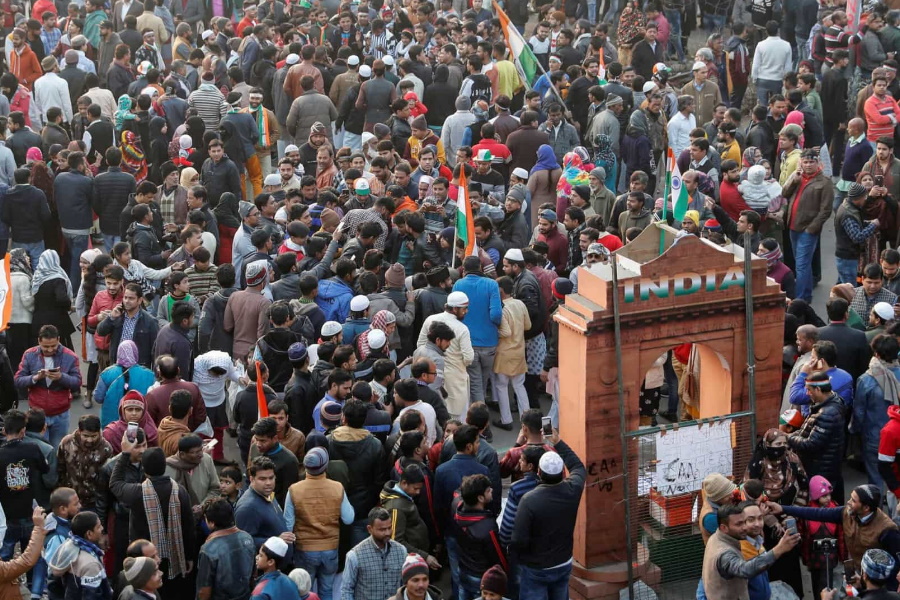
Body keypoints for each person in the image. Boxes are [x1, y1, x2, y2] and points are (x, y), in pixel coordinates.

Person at [770, 484, 900, 588]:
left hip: (878, 584)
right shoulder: (847, 513)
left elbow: (896, 566)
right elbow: (817, 513)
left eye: (853, 500)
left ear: (866, 507)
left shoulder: (887, 530)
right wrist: (783, 508)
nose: (848, 502)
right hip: (858, 576)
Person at [510, 437, 585, 600]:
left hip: (537, 569)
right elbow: (578, 466)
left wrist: (521, 561)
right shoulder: (573, 489)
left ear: (538, 472)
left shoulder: (529, 500)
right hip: (564, 562)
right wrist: (558, 442)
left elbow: (518, 540)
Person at [283, 447, 353, 600]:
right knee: (327, 590)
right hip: (330, 549)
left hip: (304, 550)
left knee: (303, 591)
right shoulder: (337, 488)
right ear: (325, 466)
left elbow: (288, 525)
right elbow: (349, 518)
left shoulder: (294, 490)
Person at [702, 503, 800, 599]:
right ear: (724, 528)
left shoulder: (723, 536)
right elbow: (745, 569)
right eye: (739, 524)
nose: (745, 527)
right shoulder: (724, 552)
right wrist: (779, 549)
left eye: (760, 518)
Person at [15, 324, 82, 449]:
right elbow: (18, 380)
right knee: (39, 450)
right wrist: (35, 378)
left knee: (58, 450)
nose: (50, 350)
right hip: (37, 414)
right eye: (46, 346)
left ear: (59, 340)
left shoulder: (70, 356)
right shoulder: (29, 355)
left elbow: (77, 382)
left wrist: (61, 377)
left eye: (53, 346)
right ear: (39, 341)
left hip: (61, 413)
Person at [340, 508, 406, 600]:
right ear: (369, 529)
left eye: (389, 528)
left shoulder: (401, 551)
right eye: (382, 529)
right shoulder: (355, 555)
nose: (387, 532)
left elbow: (404, 586)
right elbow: (346, 590)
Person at [57, 414, 114, 515]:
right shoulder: (67, 443)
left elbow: (108, 478)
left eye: (93, 436)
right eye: (86, 436)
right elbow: (60, 467)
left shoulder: (106, 449)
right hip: (69, 499)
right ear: (79, 431)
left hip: (93, 502)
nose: (90, 440)